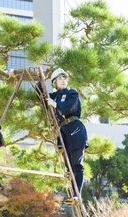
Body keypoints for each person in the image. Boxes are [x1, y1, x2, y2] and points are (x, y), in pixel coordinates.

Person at [47, 68, 89, 204]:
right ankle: (73, 194)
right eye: (60, 78)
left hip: (75, 129)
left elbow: (69, 106)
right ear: (54, 82)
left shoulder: (72, 93)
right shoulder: (54, 96)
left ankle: (77, 195)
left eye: (65, 78)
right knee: (69, 167)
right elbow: (40, 92)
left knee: (77, 164)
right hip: (63, 133)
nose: (63, 80)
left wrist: (56, 105)